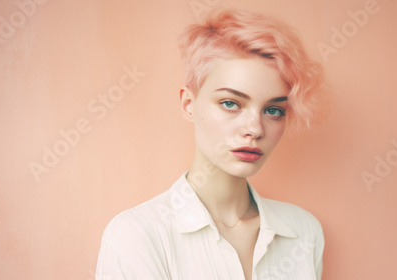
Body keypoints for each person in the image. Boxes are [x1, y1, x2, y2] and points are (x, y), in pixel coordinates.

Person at [96, 8, 326, 280]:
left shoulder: (303, 231)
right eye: (230, 103)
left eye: (273, 110)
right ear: (188, 104)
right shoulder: (137, 236)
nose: (254, 129)